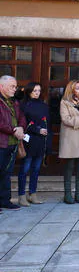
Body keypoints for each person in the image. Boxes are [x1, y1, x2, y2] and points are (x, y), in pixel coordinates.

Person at [18, 82, 52, 206]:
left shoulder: (44, 106)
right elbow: (23, 123)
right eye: (34, 91)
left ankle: (33, 194)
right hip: (29, 141)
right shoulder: (23, 105)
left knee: (36, 169)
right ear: (28, 92)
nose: (37, 93)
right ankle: (21, 195)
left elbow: (48, 124)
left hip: (41, 142)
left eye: (38, 90)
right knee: (25, 169)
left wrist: (48, 142)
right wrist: (37, 130)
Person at [0, 76, 26, 211]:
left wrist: (20, 127)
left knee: (7, 173)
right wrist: (13, 130)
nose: (14, 89)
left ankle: (5, 200)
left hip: (12, 143)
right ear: (1, 87)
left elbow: (21, 116)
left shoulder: (14, 101)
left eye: (15, 86)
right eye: (12, 86)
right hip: (2, 142)